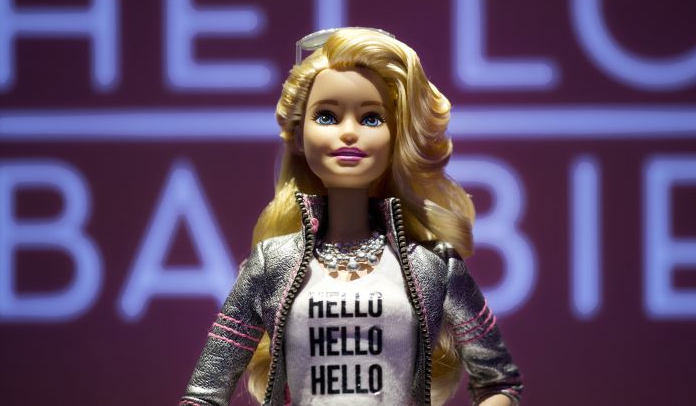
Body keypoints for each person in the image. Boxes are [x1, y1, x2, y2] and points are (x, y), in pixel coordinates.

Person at [180, 28, 523, 406]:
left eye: (371, 119)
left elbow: (499, 382)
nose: (348, 133)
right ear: (298, 134)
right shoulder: (271, 265)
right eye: (326, 116)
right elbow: (203, 396)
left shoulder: (432, 266)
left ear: (396, 137)